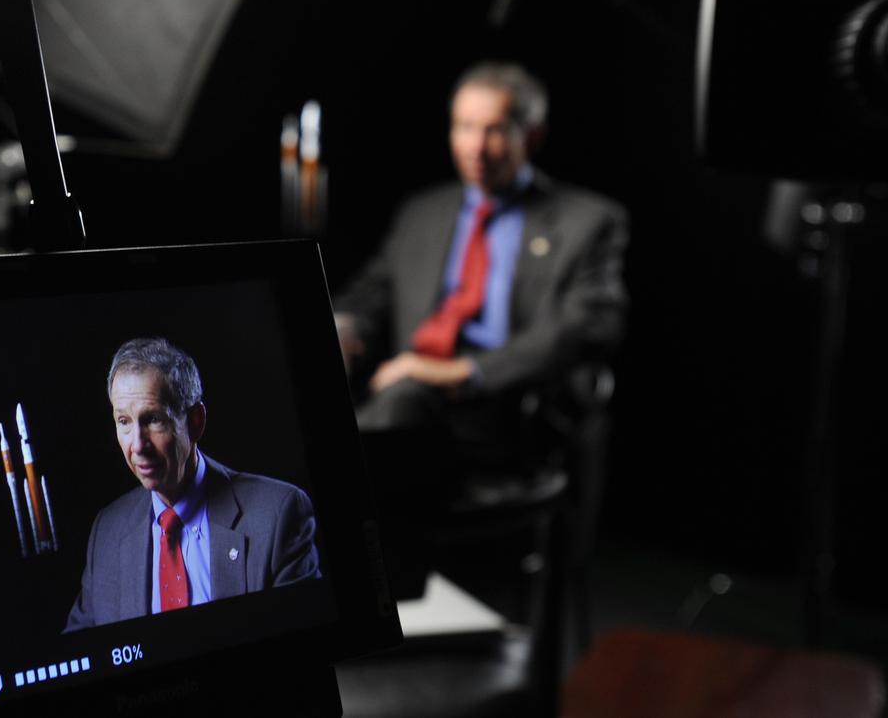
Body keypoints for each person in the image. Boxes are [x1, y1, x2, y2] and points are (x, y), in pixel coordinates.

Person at [333, 61, 627, 591]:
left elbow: (586, 328)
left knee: (387, 415)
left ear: (531, 136)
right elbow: (372, 294)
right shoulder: (424, 212)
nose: (476, 145)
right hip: (411, 404)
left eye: (494, 129)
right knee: (365, 410)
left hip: (506, 410)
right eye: (464, 127)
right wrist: (340, 326)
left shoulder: (589, 221)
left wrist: (458, 372)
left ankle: (364, 594)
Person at [64, 337, 322, 632]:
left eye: (153, 420)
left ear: (196, 422)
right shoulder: (107, 532)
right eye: (124, 421)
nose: (138, 445)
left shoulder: (277, 514)